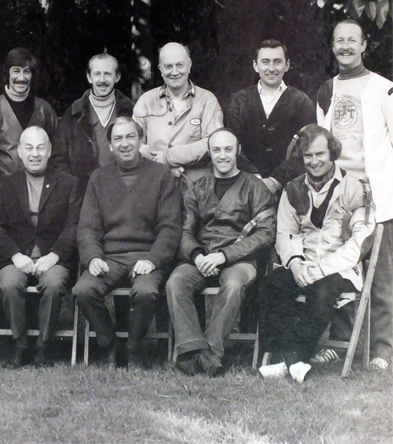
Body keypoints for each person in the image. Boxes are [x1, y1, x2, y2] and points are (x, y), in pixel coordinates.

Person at [259, 125, 374, 382]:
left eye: (320, 154)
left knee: (322, 291)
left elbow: (359, 241)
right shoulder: (293, 189)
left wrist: (322, 269)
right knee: (273, 284)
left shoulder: (353, 187)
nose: (314, 161)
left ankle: (292, 356)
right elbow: (286, 234)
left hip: (340, 267)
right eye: (308, 156)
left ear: (332, 152)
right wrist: (296, 263)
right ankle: (291, 360)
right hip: (305, 263)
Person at [314, 19, 393, 371]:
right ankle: (341, 341)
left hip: (377, 195)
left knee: (380, 276)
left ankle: (382, 351)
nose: (345, 46)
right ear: (332, 46)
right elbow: (321, 145)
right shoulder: (326, 90)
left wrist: (380, 184)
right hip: (339, 195)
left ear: (363, 46)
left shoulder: (384, 88)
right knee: (340, 266)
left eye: (352, 40)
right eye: (339, 40)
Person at [73, 116, 181, 369]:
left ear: (141, 140)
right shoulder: (99, 178)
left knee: (145, 292)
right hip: (109, 257)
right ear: (110, 145)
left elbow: (171, 227)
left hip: (146, 256)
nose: (125, 144)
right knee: (83, 290)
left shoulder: (161, 175)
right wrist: (93, 257)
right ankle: (110, 345)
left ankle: (134, 348)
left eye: (130, 136)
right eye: (118, 138)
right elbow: (87, 226)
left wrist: (153, 260)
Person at [166, 128, 275, 377]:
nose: (222, 155)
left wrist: (225, 255)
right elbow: (184, 231)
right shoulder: (197, 187)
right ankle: (191, 349)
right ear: (209, 153)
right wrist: (197, 256)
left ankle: (211, 353)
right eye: (216, 150)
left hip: (240, 260)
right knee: (176, 281)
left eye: (228, 149)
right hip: (202, 257)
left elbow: (265, 234)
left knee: (234, 283)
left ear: (237, 151)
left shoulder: (255, 187)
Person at [0, 126, 82, 367]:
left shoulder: (69, 183)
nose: (35, 153)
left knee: (52, 283)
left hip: (54, 259)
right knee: (8, 284)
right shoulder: (5, 184)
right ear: (19, 151)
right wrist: (15, 255)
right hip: (15, 258)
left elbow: (74, 226)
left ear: (49, 151)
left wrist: (55, 255)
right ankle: (21, 346)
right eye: (28, 147)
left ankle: (43, 347)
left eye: (41, 147)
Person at [225, 40, 315, 194]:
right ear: (255, 65)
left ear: (287, 65)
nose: (271, 68)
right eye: (265, 62)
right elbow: (231, 145)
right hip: (245, 188)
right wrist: (256, 180)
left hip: (291, 189)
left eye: (277, 62)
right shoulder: (239, 101)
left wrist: (276, 181)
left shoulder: (302, 102)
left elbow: (307, 148)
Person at [0, 47, 58, 205]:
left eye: (26, 72)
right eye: (16, 71)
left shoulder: (44, 110)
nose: (21, 78)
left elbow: (57, 152)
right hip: (1, 197)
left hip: (40, 196)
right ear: (7, 73)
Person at [133, 42, 223, 184]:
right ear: (160, 69)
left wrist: (169, 157)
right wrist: (162, 167)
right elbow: (135, 142)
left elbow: (213, 143)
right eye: (168, 66)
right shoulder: (146, 101)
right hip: (154, 183)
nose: (174, 72)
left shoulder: (207, 100)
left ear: (189, 65)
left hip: (197, 187)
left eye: (180, 65)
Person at [50, 53, 135, 191]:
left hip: (125, 191)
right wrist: (75, 188)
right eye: (97, 74)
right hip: (84, 194)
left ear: (117, 77)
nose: (102, 80)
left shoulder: (131, 111)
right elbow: (59, 158)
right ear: (89, 77)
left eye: (107, 74)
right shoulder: (74, 113)